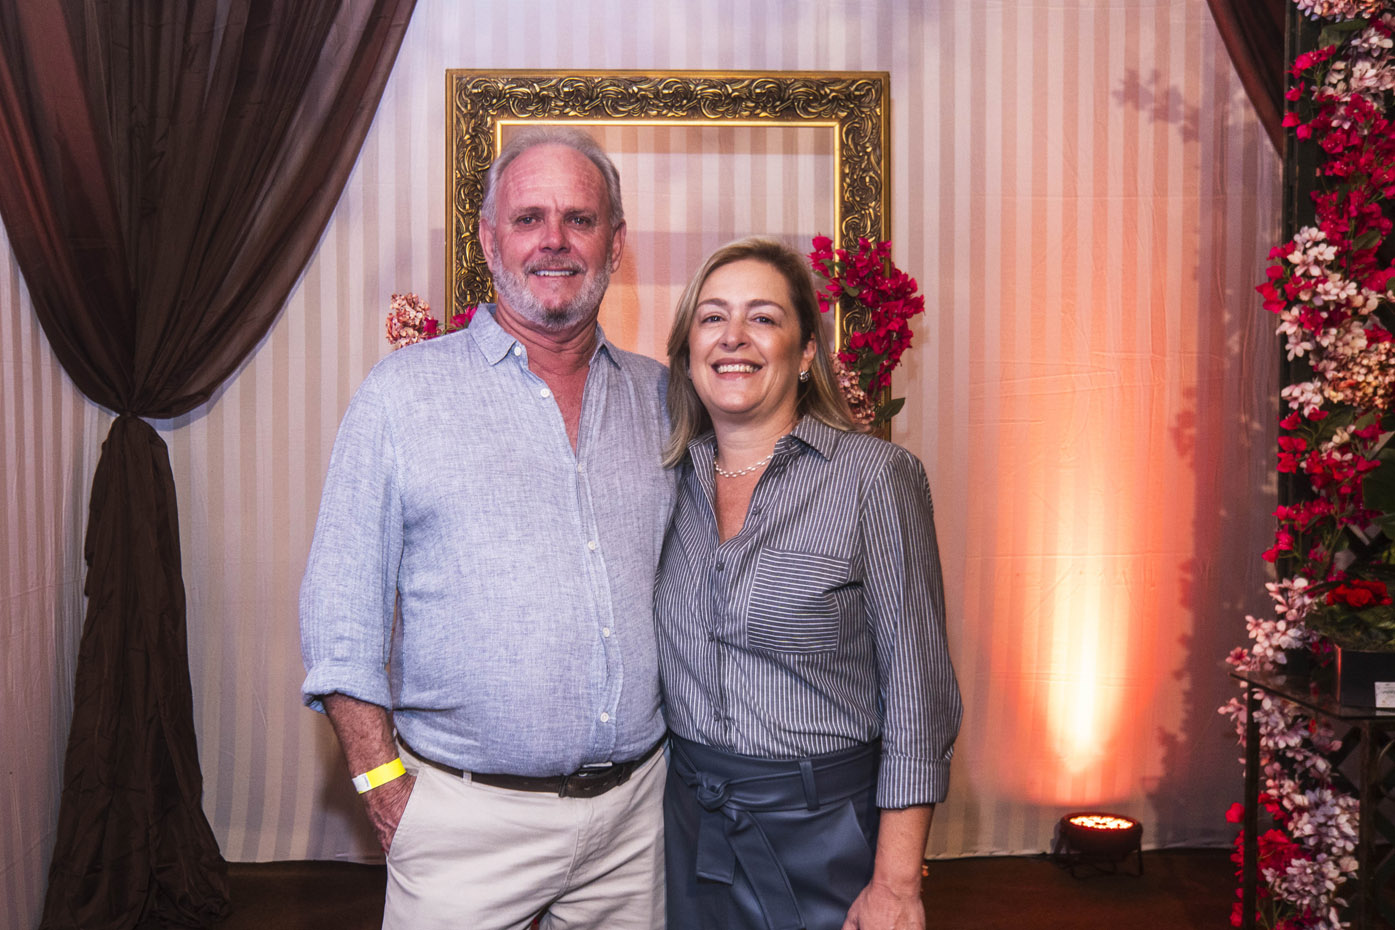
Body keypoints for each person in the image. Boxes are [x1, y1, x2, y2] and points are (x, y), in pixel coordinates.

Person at [299, 127, 674, 930]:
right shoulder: (402, 396)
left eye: (579, 218)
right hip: (462, 826)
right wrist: (381, 787)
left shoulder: (663, 401)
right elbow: (339, 617)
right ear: (488, 239)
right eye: (528, 217)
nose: (554, 239)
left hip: (636, 823)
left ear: (614, 243)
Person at [655, 237, 962, 930]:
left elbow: (918, 692)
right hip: (689, 826)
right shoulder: (666, 484)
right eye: (711, 317)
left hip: (824, 836)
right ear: (687, 351)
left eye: (762, 317)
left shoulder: (874, 478)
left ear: (804, 354)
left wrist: (896, 884)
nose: (733, 336)